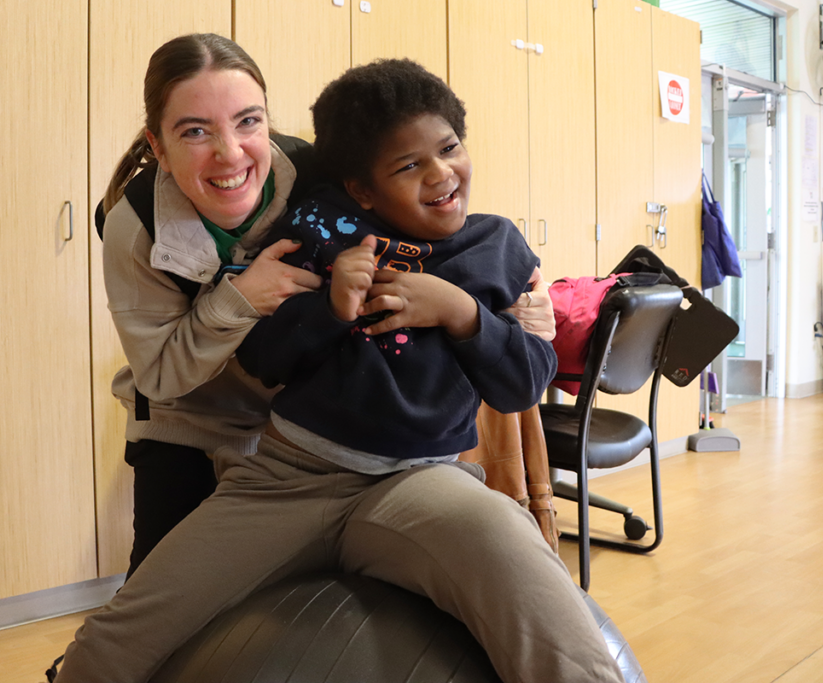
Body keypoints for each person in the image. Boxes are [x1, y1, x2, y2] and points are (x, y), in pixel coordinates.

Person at [53, 58, 623, 683]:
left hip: (422, 483)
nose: (439, 174)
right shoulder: (325, 227)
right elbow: (265, 357)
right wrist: (328, 307)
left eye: (449, 149)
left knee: (526, 576)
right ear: (362, 187)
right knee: (121, 635)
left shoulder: (498, 248)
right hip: (287, 477)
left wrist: (461, 312)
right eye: (408, 165)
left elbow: (521, 383)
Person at [97, 33, 324, 579]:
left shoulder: (316, 176)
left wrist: (500, 289)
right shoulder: (134, 228)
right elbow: (161, 374)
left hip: (298, 417)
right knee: (158, 592)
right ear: (159, 147)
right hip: (186, 420)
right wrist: (241, 298)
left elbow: (413, 223)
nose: (230, 152)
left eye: (249, 121)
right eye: (196, 131)